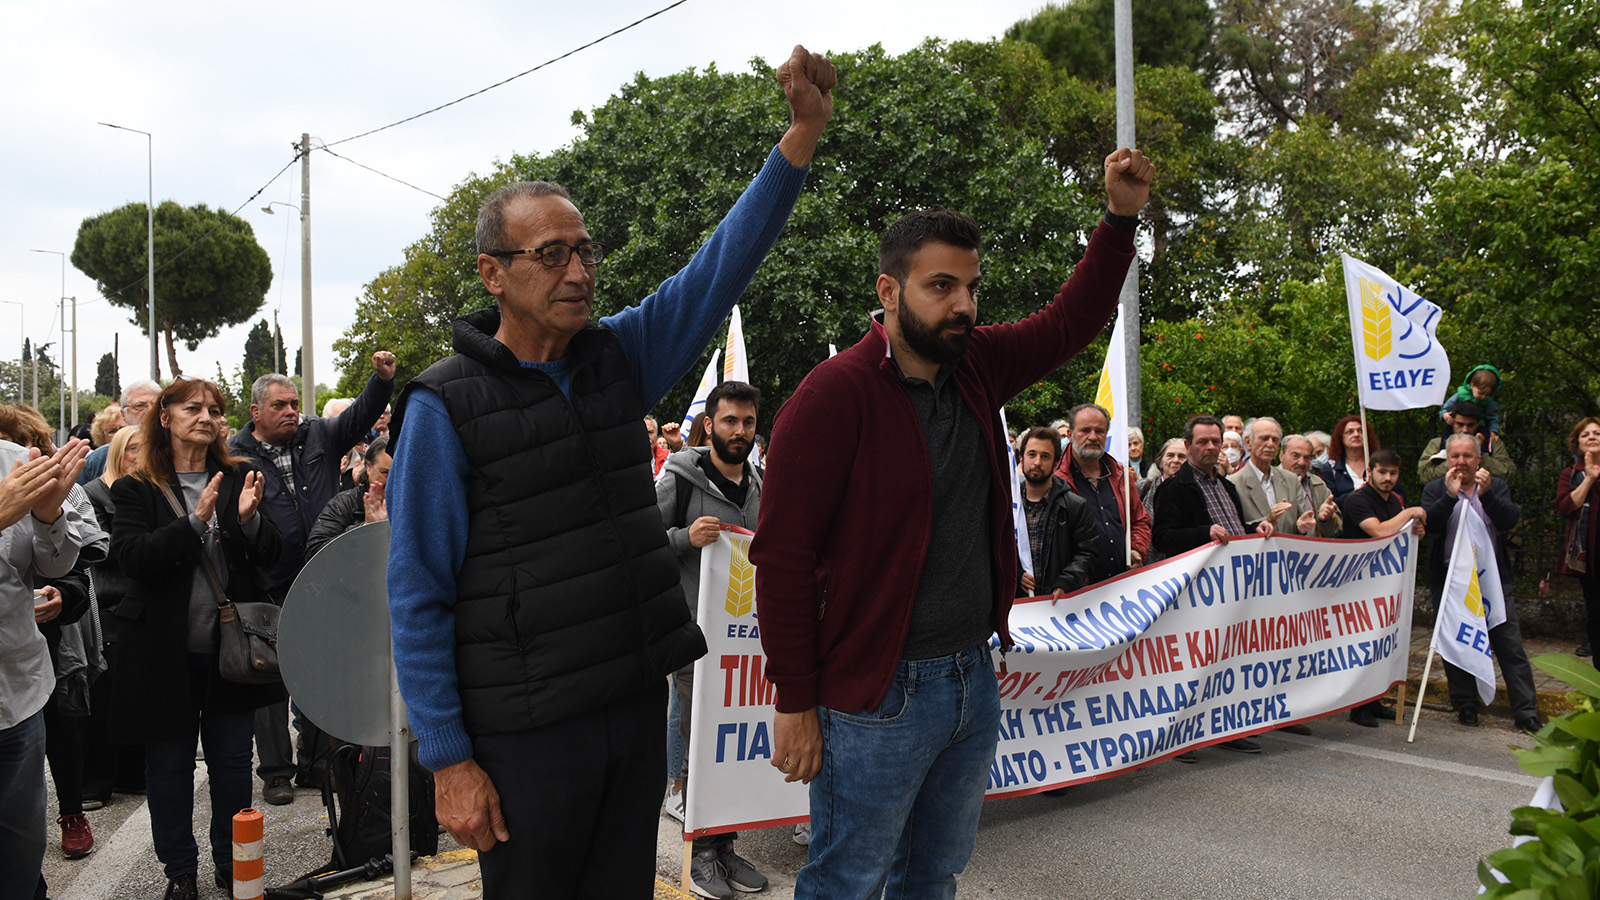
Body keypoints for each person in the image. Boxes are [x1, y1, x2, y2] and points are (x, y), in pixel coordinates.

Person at [385, 45, 835, 900]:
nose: (579, 271)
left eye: (585, 252)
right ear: (493, 273)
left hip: (630, 706)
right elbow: (417, 592)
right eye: (551, 254)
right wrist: (448, 759)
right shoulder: (443, 407)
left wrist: (800, 137)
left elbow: (718, 269)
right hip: (525, 733)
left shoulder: (616, 358)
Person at [751, 147, 1153, 899]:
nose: (964, 305)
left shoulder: (978, 365)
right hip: (875, 698)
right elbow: (782, 559)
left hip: (973, 676)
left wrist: (1119, 218)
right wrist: (794, 700)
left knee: (934, 876)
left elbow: (1069, 321)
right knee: (846, 882)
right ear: (889, 290)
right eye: (941, 286)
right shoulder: (830, 398)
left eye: (971, 286)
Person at [109, 378, 281, 900]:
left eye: (213, 409)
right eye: (192, 408)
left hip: (231, 652)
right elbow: (132, 559)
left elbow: (272, 553)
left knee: (233, 763)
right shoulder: (136, 487)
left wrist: (249, 523)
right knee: (169, 768)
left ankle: (232, 864)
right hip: (162, 654)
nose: (206, 417)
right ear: (165, 418)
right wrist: (195, 521)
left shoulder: (239, 476)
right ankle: (180, 871)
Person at [229, 355, 394, 804]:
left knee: (324, 669)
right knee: (271, 677)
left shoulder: (320, 434)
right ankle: (276, 772)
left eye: (294, 404)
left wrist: (382, 381)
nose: (291, 412)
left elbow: (361, 414)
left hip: (325, 576)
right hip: (269, 580)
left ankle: (317, 762)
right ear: (256, 411)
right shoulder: (235, 455)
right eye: (280, 405)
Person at [655, 382, 768, 899]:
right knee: (699, 744)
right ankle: (699, 854)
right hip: (693, 640)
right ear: (709, 425)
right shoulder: (679, 478)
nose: (739, 431)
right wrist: (684, 538)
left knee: (731, 749)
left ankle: (725, 847)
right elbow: (638, 543)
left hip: (743, 644)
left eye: (748, 422)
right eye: (730, 421)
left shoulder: (760, 486)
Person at [0, 433, 91, 898]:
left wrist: (48, 515)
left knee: (22, 844)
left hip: (18, 693)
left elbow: (57, 566)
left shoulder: (18, 462)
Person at [1150, 414, 1268, 758]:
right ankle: (1179, 736)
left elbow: (1235, 529)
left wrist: (1257, 529)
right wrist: (1204, 533)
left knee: (1227, 661)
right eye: (1202, 442)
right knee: (1191, 666)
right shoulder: (1174, 488)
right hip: (1197, 593)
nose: (1211, 447)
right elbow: (1163, 537)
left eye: (1215, 441)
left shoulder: (1226, 487)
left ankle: (1225, 728)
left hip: (1232, 591)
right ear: (1188, 446)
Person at [1420, 434, 1540, 732]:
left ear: (1478, 459)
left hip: (1493, 581)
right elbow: (1430, 525)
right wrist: (1449, 497)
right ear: (1447, 459)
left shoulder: (1495, 485)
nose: (1461, 461)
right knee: (1457, 644)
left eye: (1467, 456)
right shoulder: (1434, 488)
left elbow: (1509, 520)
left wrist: (1486, 496)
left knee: (1509, 646)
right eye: (1455, 456)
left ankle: (1525, 711)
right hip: (1451, 582)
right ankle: (1465, 704)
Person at [81, 424, 147, 808]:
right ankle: (96, 781)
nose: (141, 454)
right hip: (109, 605)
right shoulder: (93, 494)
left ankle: (131, 773)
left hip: (144, 603)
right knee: (105, 695)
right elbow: (103, 550)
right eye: (133, 448)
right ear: (119, 452)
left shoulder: (151, 493)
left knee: (139, 691)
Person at [1338, 447, 1425, 727]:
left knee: (1379, 644)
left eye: (1393, 473)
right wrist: (1410, 513)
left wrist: (1415, 530)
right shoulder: (1357, 500)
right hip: (1357, 583)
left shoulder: (1394, 500)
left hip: (1383, 583)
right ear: (1370, 472)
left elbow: (1399, 533)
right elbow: (1379, 530)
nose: (1388, 478)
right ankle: (1357, 707)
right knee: (1360, 645)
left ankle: (1373, 699)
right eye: (1382, 472)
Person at [1052, 403, 1150, 585]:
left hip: (1123, 587)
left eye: (1099, 431)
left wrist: (1136, 548)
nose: (1093, 437)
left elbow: (1140, 520)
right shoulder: (1056, 482)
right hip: (1079, 591)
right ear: (1070, 435)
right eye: (1085, 430)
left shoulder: (1121, 476)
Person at [1017, 427, 1096, 598]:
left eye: (1045, 456)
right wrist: (1016, 573)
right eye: (1032, 454)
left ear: (1055, 463)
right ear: (1021, 459)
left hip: (1058, 604)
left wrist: (1066, 581)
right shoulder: (1009, 507)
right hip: (1019, 606)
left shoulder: (1074, 506)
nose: (1037, 462)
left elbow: (1087, 552)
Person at [305, 436, 390, 561]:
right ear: (368, 467)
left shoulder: (415, 506)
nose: (393, 480)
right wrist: (365, 528)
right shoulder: (344, 504)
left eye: (399, 473)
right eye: (385, 473)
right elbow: (315, 554)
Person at [1557, 417, 1600, 657]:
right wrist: (1590, 478)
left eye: (1597, 433)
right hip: (1589, 552)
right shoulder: (1571, 474)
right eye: (1585, 435)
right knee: (1595, 608)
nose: (1591, 437)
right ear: (1578, 443)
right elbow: (1565, 508)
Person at [78, 380, 160, 486]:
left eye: (156, 405)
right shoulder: (98, 460)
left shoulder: (177, 453)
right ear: (124, 414)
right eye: (140, 406)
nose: (150, 411)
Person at [1417, 400, 1516, 484]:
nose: (1465, 430)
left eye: (1470, 425)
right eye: (1460, 424)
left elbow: (1507, 473)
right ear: (1452, 422)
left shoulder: (1492, 442)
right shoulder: (1437, 443)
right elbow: (1425, 476)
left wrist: (1478, 453)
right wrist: (1454, 459)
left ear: (1478, 424)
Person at [1229, 417, 1298, 534]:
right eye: (1264, 438)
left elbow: (1299, 523)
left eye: (1275, 440)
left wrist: (1303, 525)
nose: (1270, 444)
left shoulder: (1291, 480)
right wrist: (1267, 521)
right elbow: (1234, 529)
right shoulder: (1233, 483)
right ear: (1248, 442)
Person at [1279, 434, 1342, 537]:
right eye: (1295, 456)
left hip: (1315, 546)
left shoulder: (1317, 483)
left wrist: (1325, 519)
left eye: (1307, 458)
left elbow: (1337, 530)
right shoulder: (1270, 481)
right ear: (1281, 456)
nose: (1301, 462)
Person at [1319, 414, 1376, 506]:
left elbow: (1397, 495)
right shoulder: (1331, 468)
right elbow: (1330, 502)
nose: (1356, 435)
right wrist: (1356, 494)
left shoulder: (1378, 463)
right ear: (1341, 437)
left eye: (1360, 431)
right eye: (1350, 432)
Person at [1441, 364, 1503, 437]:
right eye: (1481, 393)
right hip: (1457, 425)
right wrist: (1445, 415)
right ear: (1472, 385)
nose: (1483, 397)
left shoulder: (1489, 402)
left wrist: (1493, 431)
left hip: (1479, 427)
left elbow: (1493, 418)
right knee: (1446, 433)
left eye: (1487, 395)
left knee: (1484, 435)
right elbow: (1445, 408)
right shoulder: (1460, 395)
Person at [1138, 438, 1186, 514]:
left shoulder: (1197, 489)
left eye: (1181, 456)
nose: (1176, 460)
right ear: (1160, 461)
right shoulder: (1141, 487)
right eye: (1170, 455)